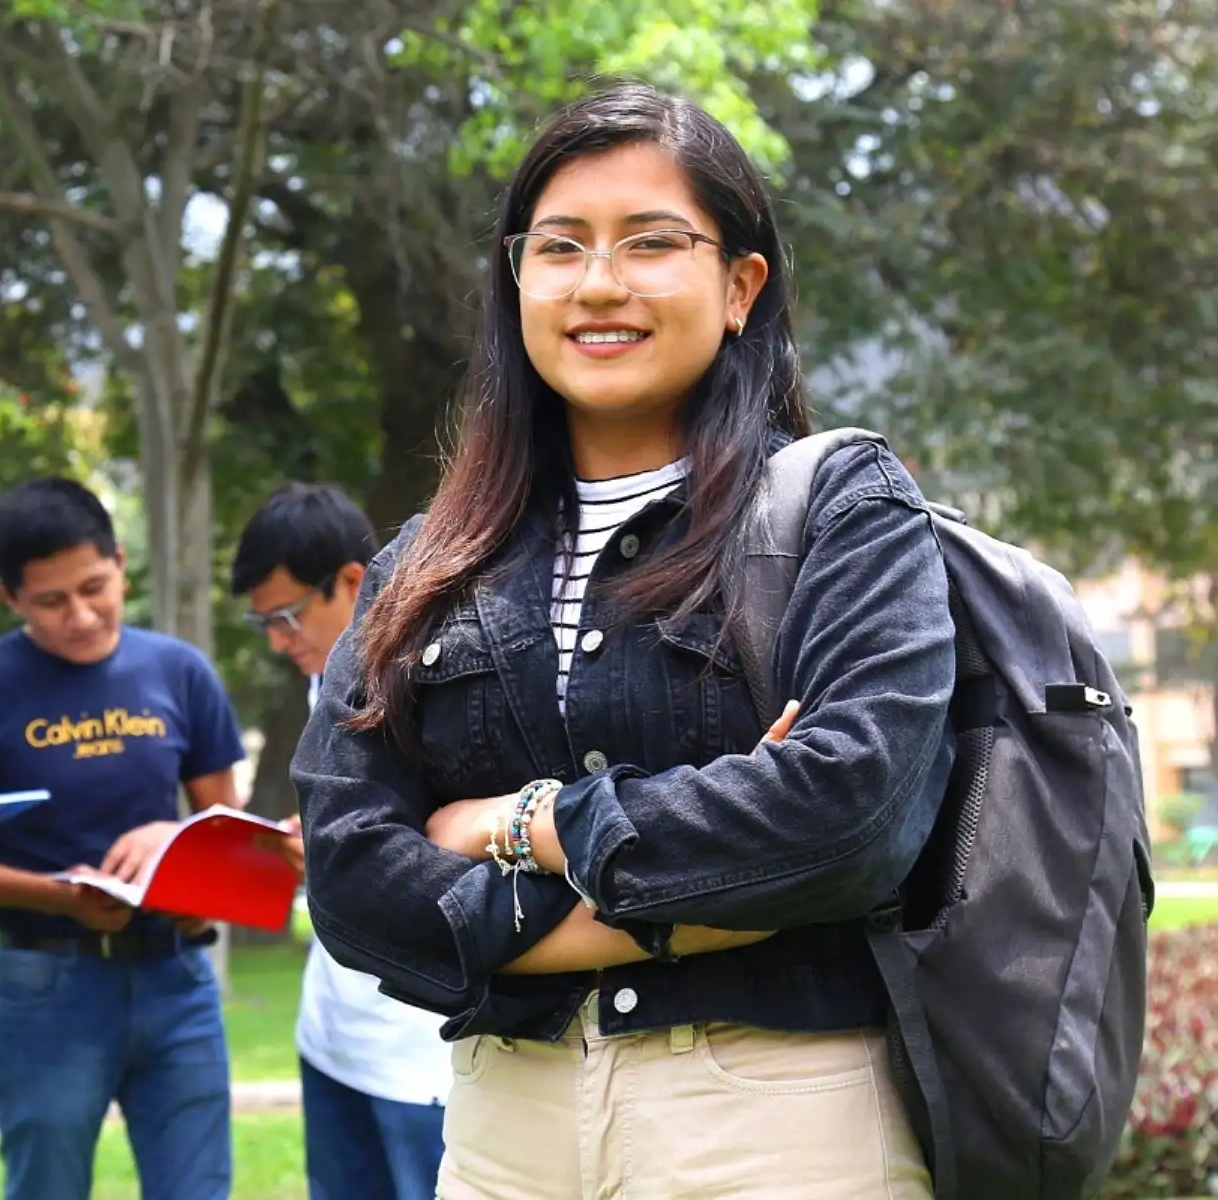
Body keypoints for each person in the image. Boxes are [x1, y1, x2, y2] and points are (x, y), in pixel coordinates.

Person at [292, 81, 956, 1198]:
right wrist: (712, 909)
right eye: (560, 247)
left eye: (652, 242)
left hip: (774, 1121)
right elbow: (351, 875)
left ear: (741, 284)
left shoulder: (837, 507)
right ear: (517, 281)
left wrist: (518, 822)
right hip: (505, 1125)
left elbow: (848, 819)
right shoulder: (431, 560)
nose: (600, 284)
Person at [0, 476, 250, 1200]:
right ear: (10, 597)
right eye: (51, 601)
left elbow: (226, 832)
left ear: (121, 562)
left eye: (96, 586)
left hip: (178, 979)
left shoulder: (180, 673)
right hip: (47, 984)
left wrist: (186, 865)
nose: (82, 615)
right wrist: (58, 898)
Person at [230, 483, 451, 1200]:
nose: (277, 640)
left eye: (289, 616)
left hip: (419, 1050)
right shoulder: (323, 681)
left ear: (354, 582)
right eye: (264, 621)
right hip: (332, 1034)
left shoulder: (436, 671)